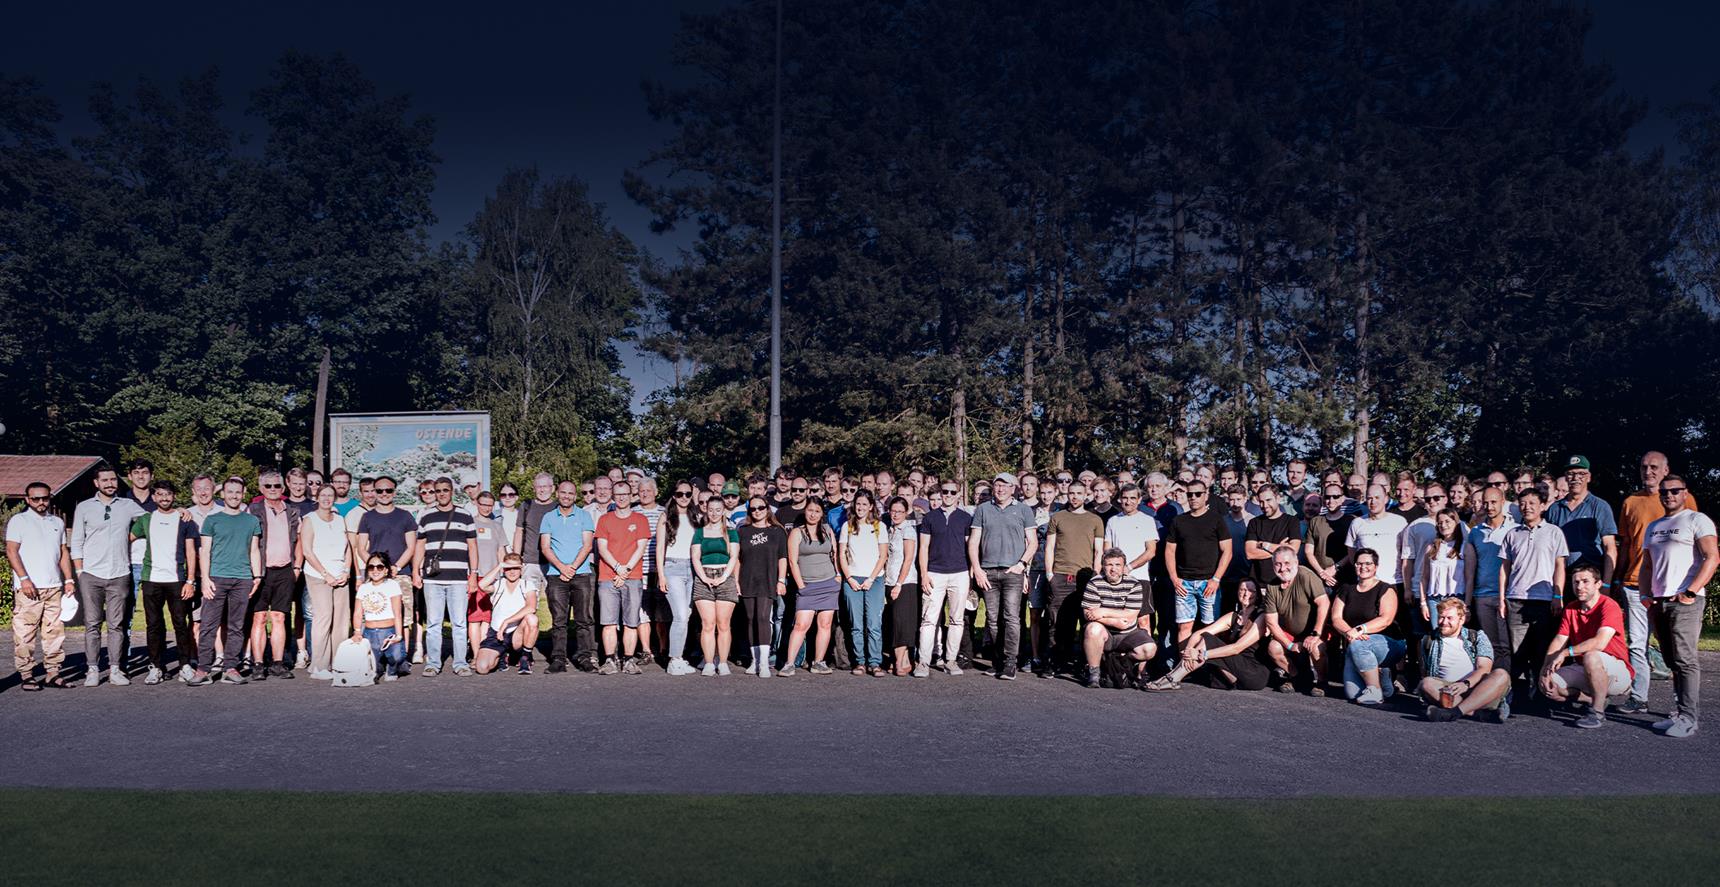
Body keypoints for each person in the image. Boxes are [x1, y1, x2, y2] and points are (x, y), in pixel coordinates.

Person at [1613, 451, 1695, 711]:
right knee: (1637, 644)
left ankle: (1680, 703)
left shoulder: (1685, 499)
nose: (1648, 472)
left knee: (1675, 649)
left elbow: (1695, 542)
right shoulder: (1630, 502)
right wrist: (1617, 578)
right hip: (1635, 585)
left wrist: (1689, 587)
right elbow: (1626, 544)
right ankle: (1639, 698)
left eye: (1654, 467)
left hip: (1672, 589)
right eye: (1643, 467)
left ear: (1666, 469)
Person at [1638, 475, 1716, 738]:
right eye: (1664, 492)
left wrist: (1690, 592)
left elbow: (1712, 558)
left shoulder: (1696, 519)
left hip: (1685, 600)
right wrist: (1645, 595)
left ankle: (1689, 718)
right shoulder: (1654, 526)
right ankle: (1679, 713)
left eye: (1674, 491)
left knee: (1685, 659)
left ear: (1685, 493)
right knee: (1671, 660)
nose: (1668, 495)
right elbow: (1647, 565)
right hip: (1659, 601)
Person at [69, 464, 146, 685]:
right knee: (92, 623)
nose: (110, 484)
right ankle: (92, 669)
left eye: (113, 480)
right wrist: (80, 571)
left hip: (120, 573)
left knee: (116, 624)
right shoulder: (84, 507)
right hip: (91, 574)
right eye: (105, 480)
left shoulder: (127, 505)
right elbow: (77, 540)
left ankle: (115, 670)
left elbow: (153, 519)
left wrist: (179, 510)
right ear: (96, 483)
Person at [187, 477, 262, 686]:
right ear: (222, 494)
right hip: (216, 579)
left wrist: (257, 576)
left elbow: (254, 550)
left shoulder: (251, 521)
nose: (234, 496)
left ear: (244, 492)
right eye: (230, 492)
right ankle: (203, 669)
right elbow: (205, 552)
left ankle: (231, 667)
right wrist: (205, 580)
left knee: (236, 626)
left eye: (238, 492)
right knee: (208, 625)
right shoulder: (212, 520)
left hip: (243, 579)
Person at [1539, 564, 1633, 728]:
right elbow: (1559, 640)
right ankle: (1592, 699)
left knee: (1591, 655)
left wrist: (1565, 653)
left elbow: (1600, 642)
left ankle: (1596, 713)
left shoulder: (1609, 606)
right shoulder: (1571, 608)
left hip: (1616, 671)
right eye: (1576, 582)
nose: (1580, 587)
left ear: (1598, 584)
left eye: (1585, 581)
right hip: (1585, 667)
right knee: (1551, 686)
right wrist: (1545, 669)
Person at [128, 480, 199, 684]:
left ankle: (185, 665)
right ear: (154, 497)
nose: (164, 498)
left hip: (177, 579)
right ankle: (156, 667)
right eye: (160, 494)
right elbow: (126, 538)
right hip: (151, 580)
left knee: (180, 624)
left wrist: (190, 581)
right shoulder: (146, 519)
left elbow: (191, 551)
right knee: (154, 625)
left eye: (168, 494)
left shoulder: (184, 519)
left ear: (174, 496)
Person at [7, 481, 77, 689]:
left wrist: (69, 579)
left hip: (54, 586)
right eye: (35, 498)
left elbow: (63, 552)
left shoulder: (57, 522)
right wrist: (24, 579)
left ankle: (52, 673)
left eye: (44, 498)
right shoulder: (19, 521)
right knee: (25, 632)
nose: (41, 502)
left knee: (54, 632)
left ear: (49, 498)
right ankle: (27, 674)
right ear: (27, 500)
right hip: (29, 588)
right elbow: (12, 551)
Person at [968, 471, 1037, 680]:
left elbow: (1032, 542)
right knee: (992, 619)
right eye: (997, 485)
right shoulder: (983, 509)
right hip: (988, 572)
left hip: (1012, 572)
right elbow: (973, 542)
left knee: (1012, 617)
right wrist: (977, 569)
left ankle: (1010, 662)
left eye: (1005, 486)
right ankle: (997, 661)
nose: (1000, 489)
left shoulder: (1024, 510)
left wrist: (1021, 565)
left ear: (1013, 488)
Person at [1498, 487, 1568, 688]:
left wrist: (1558, 596)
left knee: (1541, 651)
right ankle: (1515, 695)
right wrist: (1502, 599)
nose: (1526, 507)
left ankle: (1540, 692)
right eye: (1522, 503)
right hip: (1516, 600)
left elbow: (1559, 566)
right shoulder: (1512, 534)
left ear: (1543, 506)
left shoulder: (1554, 532)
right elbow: (1504, 569)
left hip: (1544, 600)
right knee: (1518, 652)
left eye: (1532, 503)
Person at [1148, 577, 1271, 691]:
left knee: (1209, 641)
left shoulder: (1260, 617)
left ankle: (1172, 679)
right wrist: (1190, 651)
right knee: (1206, 640)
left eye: (1251, 590)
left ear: (1257, 594)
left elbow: (1236, 648)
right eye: (1242, 589)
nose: (1246, 594)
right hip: (1235, 669)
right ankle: (1173, 676)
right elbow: (1200, 633)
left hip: (1253, 673)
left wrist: (1203, 654)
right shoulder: (1234, 616)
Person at [415, 476, 476, 677]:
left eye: (445, 490)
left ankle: (460, 663)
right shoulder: (426, 517)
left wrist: (473, 575)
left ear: (452, 492)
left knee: (459, 623)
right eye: (438, 490)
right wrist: (416, 571)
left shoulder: (465, 516)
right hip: (432, 579)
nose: (441, 494)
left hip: (458, 578)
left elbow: (472, 548)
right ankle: (433, 663)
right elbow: (420, 546)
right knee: (433, 623)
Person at [1164, 480, 1232, 656]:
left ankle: (1208, 667)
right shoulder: (1179, 521)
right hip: (1183, 583)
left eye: (1197, 494)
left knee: (1210, 627)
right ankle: (1183, 666)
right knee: (1184, 626)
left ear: (1206, 495)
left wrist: (1216, 579)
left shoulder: (1217, 520)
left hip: (1209, 583)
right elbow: (1170, 551)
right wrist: (1174, 578)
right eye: (1189, 494)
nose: (1193, 498)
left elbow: (1227, 551)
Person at [245, 470, 302, 679]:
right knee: (259, 618)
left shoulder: (292, 511)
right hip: (261, 571)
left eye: (276, 486)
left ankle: (278, 663)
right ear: (261, 489)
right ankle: (258, 664)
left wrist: (297, 567)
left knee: (279, 617)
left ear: (283, 488)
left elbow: (299, 540)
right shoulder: (253, 510)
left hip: (285, 570)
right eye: (267, 486)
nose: (272, 490)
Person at [356, 476, 420, 663]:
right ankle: (376, 656)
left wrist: (396, 567)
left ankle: (402, 658)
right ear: (374, 492)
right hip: (376, 576)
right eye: (379, 491)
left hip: (401, 574)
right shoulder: (367, 517)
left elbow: (411, 546)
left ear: (395, 492)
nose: (384, 494)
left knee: (404, 617)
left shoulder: (405, 516)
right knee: (375, 613)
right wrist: (378, 567)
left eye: (388, 490)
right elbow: (360, 547)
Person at [1044, 481, 1105, 674]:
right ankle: (1056, 662)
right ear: (1067, 494)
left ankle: (1084, 664)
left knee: (1086, 621)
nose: (1075, 497)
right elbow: (1050, 548)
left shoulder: (1095, 520)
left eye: (1079, 493)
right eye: (1072, 493)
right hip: (1060, 575)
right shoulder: (1058, 517)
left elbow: (1099, 551)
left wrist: (1095, 576)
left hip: (1085, 577)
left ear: (1086, 494)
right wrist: (1049, 574)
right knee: (1058, 622)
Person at [1330, 549, 1404, 705]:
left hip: (1389, 644)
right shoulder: (1346, 589)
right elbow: (1336, 618)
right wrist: (1350, 633)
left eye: (1368, 563)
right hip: (1356, 643)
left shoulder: (1386, 589)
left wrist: (1359, 630)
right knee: (1352, 693)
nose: (1363, 567)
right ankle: (1381, 676)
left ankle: (1375, 690)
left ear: (1376, 566)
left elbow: (1386, 619)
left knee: (1359, 644)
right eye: (1359, 563)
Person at [1420, 598, 1511, 723]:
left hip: (1477, 688)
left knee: (1501, 674)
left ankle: (1454, 712)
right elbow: (1424, 671)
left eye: (1449, 618)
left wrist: (1465, 684)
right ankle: (1478, 713)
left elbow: (1484, 668)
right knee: (1426, 683)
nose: (1443, 622)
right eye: (1441, 617)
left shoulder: (1477, 636)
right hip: (1449, 691)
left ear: (1461, 619)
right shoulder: (1428, 640)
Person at [915, 482, 973, 677]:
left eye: (952, 492)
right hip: (934, 573)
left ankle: (951, 660)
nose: (948, 495)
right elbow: (923, 547)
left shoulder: (965, 518)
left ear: (958, 495)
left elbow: (969, 548)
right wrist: (924, 574)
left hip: (960, 573)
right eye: (945, 492)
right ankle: (923, 662)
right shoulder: (930, 517)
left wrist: (972, 573)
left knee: (957, 620)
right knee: (929, 620)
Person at [539, 480, 597, 673]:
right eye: (563, 492)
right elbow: (545, 547)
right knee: (559, 620)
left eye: (570, 493)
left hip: (581, 574)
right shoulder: (548, 517)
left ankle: (584, 656)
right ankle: (558, 659)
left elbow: (587, 545)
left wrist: (571, 567)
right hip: (556, 575)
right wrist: (562, 567)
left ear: (575, 495)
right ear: (557, 493)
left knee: (584, 619)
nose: (566, 496)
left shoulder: (584, 516)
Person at [782, 497, 844, 675]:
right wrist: (801, 585)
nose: (813, 514)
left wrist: (838, 575)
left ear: (821, 514)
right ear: (805, 511)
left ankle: (818, 662)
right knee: (801, 625)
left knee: (825, 624)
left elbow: (835, 554)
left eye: (817, 511)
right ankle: (789, 663)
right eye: (810, 510)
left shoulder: (827, 530)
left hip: (828, 584)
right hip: (807, 585)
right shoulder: (797, 533)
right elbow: (792, 562)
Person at [594, 481, 651, 675]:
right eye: (618, 494)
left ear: (631, 495)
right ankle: (610, 660)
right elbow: (602, 548)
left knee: (631, 622)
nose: (621, 497)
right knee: (608, 622)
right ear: (613, 496)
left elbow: (640, 547)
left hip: (632, 576)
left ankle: (628, 660)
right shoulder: (604, 519)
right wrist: (618, 568)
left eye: (625, 493)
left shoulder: (640, 519)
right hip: (608, 576)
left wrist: (625, 570)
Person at [1078, 549, 1157, 689]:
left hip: (1128, 633)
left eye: (1117, 565)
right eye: (1109, 565)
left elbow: (1131, 615)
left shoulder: (1134, 584)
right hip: (1105, 632)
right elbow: (1089, 614)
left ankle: (1122, 661)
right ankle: (1094, 674)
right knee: (1092, 629)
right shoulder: (1094, 583)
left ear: (1123, 567)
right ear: (1103, 566)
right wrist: (1116, 621)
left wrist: (1103, 611)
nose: (1113, 569)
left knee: (1149, 648)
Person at [1259, 547, 1330, 694]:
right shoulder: (1272, 586)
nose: (1283, 568)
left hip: (1313, 630)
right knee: (1274, 648)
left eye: (1286, 563)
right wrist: (1289, 645)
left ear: (1296, 562)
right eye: (1278, 564)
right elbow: (1271, 622)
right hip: (1290, 633)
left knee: (1317, 647)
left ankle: (1322, 682)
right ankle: (1296, 676)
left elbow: (1324, 603)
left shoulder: (1306, 576)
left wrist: (1315, 634)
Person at [300, 484, 352, 680]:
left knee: (340, 621)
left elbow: (348, 549)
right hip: (318, 575)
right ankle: (319, 665)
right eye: (323, 495)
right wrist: (325, 573)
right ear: (317, 497)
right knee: (323, 619)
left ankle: (337, 663)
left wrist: (346, 571)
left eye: (330, 495)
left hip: (340, 576)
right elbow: (307, 550)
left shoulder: (340, 520)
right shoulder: (310, 520)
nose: (327, 499)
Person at [1467, 485, 1517, 673]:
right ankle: (1494, 689)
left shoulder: (1514, 529)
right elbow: (1470, 570)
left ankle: (1506, 686)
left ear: (1503, 502)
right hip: (1482, 595)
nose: (1489, 506)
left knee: (1506, 645)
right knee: (1491, 645)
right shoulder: (1476, 532)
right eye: (1485, 502)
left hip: (1505, 594)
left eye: (1494, 502)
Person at [839, 491, 890, 675]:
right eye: (857, 504)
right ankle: (859, 661)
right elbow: (841, 555)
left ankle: (875, 662)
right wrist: (849, 578)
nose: (860, 508)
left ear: (871, 506)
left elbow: (883, 555)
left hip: (874, 580)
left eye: (864, 504)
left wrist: (870, 579)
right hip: (853, 579)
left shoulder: (879, 527)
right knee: (856, 625)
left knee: (874, 624)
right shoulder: (847, 526)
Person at [737, 496, 788, 678]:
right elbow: (738, 558)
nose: (757, 511)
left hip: (768, 580)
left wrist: (781, 580)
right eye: (753, 509)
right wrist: (736, 580)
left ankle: (765, 662)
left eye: (760, 507)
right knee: (750, 618)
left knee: (763, 617)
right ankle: (754, 660)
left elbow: (783, 558)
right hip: (747, 579)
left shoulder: (777, 531)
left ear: (767, 508)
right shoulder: (743, 531)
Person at [1547, 456, 1618, 586]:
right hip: (1562, 578)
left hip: (1591, 579)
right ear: (1566, 477)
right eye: (1571, 474)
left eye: (1581, 474)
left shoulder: (1600, 506)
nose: (1575, 478)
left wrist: (1607, 584)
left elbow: (1610, 547)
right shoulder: (1554, 509)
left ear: (1589, 477)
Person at [691, 495, 741, 676]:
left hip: (725, 578)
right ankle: (709, 662)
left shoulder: (731, 532)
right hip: (704, 577)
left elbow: (734, 557)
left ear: (723, 512)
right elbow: (695, 557)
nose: (713, 513)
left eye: (717, 510)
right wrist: (703, 577)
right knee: (707, 624)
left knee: (723, 624)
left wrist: (724, 577)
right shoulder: (699, 532)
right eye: (710, 509)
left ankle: (724, 662)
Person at [656, 481, 700, 675]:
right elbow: (659, 548)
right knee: (680, 615)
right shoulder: (665, 517)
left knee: (687, 615)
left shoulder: (696, 517)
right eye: (680, 494)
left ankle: (680, 657)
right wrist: (661, 575)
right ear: (673, 495)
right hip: (672, 567)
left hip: (692, 568)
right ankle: (673, 659)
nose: (684, 497)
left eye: (688, 494)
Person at [473, 553, 539, 675]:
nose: (512, 571)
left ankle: (525, 657)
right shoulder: (498, 584)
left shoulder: (527, 585)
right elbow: (482, 585)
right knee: (482, 668)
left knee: (532, 618)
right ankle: (502, 655)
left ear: (521, 569)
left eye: (516, 568)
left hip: (517, 634)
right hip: (497, 633)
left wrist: (507, 621)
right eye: (508, 568)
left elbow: (531, 607)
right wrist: (499, 566)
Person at [350, 554, 408, 682]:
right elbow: (358, 613)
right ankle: (378, 667)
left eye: (380, 567)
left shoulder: (392, 585)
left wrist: (398, 635)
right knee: (371, 662)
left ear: (386, 569)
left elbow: (397, 613)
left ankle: (393, 668)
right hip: (369, 632)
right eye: (371, 567)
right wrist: (357, 632)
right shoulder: (364, 588)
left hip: (389, 631)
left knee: (397, 656)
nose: (375, 570)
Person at [1339, 485, 1409, 590]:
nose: (1373, 502)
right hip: (1366, 583)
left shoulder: (1399, 522)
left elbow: (1406, 554)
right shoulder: (1357, 523)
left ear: (1386, 499)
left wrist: (1407, 587)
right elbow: (1351, 552)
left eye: (1377, 498)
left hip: (1394, 582)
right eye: (1369, 498)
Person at [883, 496, 921, 677]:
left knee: (902, 622)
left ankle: (899, 662)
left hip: (905, 582)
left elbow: (908, 559)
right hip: (889, 580)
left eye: (900, 511)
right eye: (893, 510)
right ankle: (903, 660)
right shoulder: (890, 529)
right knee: (894, 621)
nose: (896, 514)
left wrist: (899, 583)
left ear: (906, 513)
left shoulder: (908, 530)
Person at [1418, 509, 1475, 629]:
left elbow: (1469, 579)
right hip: (1435, 600)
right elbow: (1424, 577)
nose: (1443, 525)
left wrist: (1467, 605)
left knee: (1456, 635)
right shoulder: (1431, 548)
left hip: (1457, 599)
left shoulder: (1466, 547)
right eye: (1440, 522)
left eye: (1447, 521)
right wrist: (1423, 603)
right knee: (1437, 633)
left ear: (1456, 522)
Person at [467, 490, 505, 665]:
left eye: (490, 505)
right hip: (474, 576)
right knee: (474, 618)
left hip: (492, 579)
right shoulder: (470, 524)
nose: (486, 508)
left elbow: (501, 551)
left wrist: (502, 574)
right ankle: (475, 655)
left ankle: (482, 653)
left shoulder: (497, 526)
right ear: (477, 503)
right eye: (483, 504)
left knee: (487, 619)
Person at [1243, 482, 1299, 588]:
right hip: (1259, 583)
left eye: (1268, 500)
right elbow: (1250, 553)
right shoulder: (1254, 523)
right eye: (1261, 502)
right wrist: (1281, 548)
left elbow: (1294, 550)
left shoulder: (1291, 521)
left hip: (1285, 583)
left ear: (1278, 498)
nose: (1265, 506)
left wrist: (1264, 545)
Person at [1303, 484, 1354, 589]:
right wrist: (1322, 573)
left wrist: (1335, 568)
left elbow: (1353, 551)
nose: (1331, 500)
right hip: (1318, 578)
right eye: (1327, 497)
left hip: (1345, 578)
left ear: (1342, 499)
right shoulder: (1315, 521)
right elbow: (1308, 552)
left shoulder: (1352, 521)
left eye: (1335, 497)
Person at [515, 472, 558, 596]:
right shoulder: (526, 506)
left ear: (553, 488)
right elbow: (519, 532)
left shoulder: (558, 507)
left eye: (545, 486)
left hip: (553, 563)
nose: (542, 490)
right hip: (530, 562)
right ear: (534, 489)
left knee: (556, 603)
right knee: (528, 603)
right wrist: (517, 559)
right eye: (539, 487)